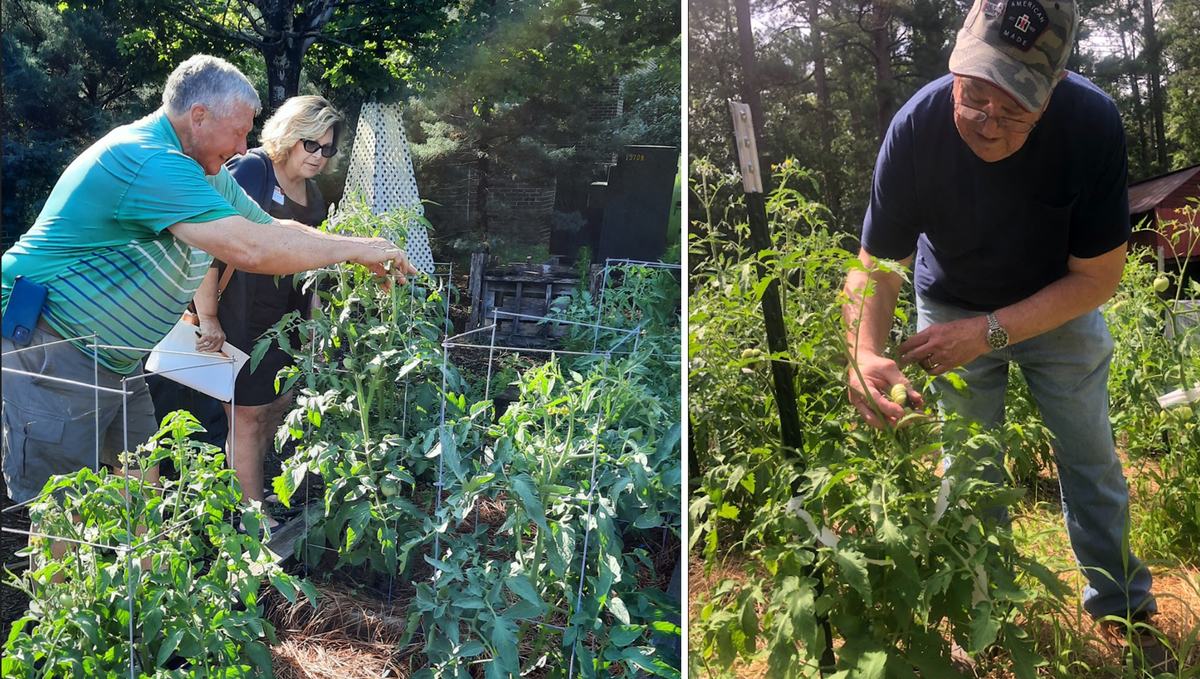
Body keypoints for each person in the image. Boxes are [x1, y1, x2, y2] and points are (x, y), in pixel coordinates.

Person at [841, 0, 1175, 671]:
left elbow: (1098, 279)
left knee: (1090, 458)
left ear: (1055, 89)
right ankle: (982, 617)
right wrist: (867, 351)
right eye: (974, 96)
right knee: (969, 472)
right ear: (954, 69)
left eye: (1015, 107)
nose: (988, 122)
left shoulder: (1092, 124)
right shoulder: (917, 128)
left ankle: (1123, 608)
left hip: (1059, 303)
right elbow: (875, 264)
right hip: (950, 296)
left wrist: (990, 332)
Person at [0, 55, 416, 516]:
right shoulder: (149, 160)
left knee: (142, 477)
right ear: (198, 117)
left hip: (116, 357)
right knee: (61, 507)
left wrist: (364, 244)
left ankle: (143, 583)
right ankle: (63, 591)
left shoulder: (206, 172)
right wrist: (354, 251)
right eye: (238, 131)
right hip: (54, 345)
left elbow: (271, 227)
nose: (244, 147)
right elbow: (249, 250)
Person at [191, 95, 342, 516]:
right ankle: (252, 521)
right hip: (238, 317)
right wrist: (208, 317)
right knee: (247, 417)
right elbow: (206, 240)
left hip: (283, 322)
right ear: (289, 136)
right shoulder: (253, 170)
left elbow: (313, 264)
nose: (318, 156)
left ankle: (252, 500)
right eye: (310, 144)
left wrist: (314, 324)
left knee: (273, 408)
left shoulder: (314, 194)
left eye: (326, 149)